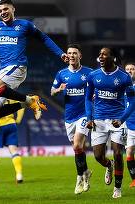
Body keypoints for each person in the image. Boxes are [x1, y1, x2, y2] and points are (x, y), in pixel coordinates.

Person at [0, 0, 68, 121]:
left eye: (6, 9)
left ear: (13, 9)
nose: (3, 12)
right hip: (3, 71)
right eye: (0, 10)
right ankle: (27, 103)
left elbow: (43, 38)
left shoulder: (25, 25)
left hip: (17, 66)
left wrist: (60, 53)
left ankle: (30, 100)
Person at [85, 47, 135, 198]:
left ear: (112, 57)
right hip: (99, 120)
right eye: (99, 54)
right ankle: (109, 165)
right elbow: (87, 98)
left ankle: (117, 188)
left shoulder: (124, 76)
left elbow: (132, 101)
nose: (100, 56)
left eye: (104, 54)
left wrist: (122, 119)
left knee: (118, 152)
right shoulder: (93, 75)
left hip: (117, 120)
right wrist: (89, 118)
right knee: (98, 156)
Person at [51, 43, 92, 194]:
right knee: (78, 150)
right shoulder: (61, 73)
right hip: (69, 116)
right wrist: (58, 89)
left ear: (80, 56)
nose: (72, 55)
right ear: (66, 56)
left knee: (77, 146)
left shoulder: (89, 73)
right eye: (69, 53)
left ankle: (79, 178)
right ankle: (86, 172)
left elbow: (98, 88)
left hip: (84, 114)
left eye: (75, 53)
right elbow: (52, 91)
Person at [124, 62, 135, 188]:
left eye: (132, 69)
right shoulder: (120, 87)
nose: (130, 71)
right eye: (127, 69)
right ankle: (134, 179)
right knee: (129, 152)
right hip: (129, 125)